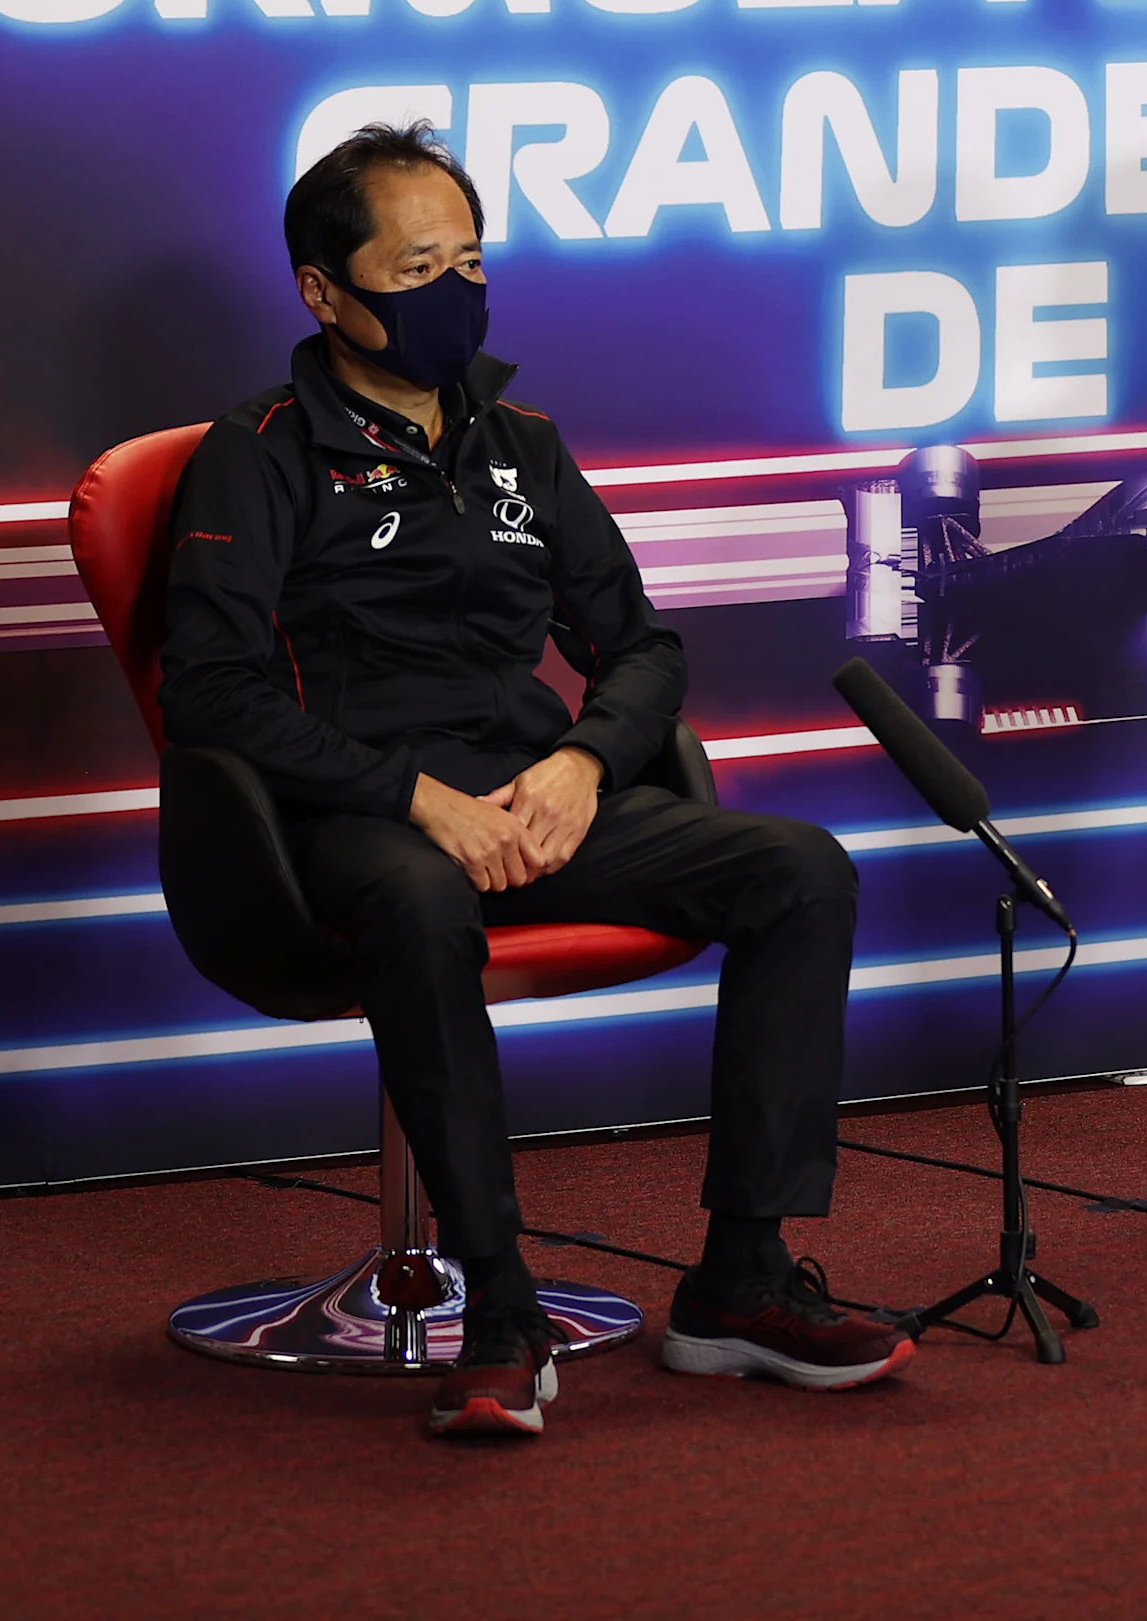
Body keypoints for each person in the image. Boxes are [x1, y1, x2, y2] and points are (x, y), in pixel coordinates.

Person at [160, 124, 908, 1438]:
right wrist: (415, 801)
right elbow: (213, 693)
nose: (454, 290)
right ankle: (500, 1311)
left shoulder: (521, 443)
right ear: (323, 291)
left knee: (798, 871)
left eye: (470, 261)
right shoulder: (258, 452)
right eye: (416, 268)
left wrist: (580, 762)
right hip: (352, 819)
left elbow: (644, 650)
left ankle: (739, 1282)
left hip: (535, 802)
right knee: (418, 904)